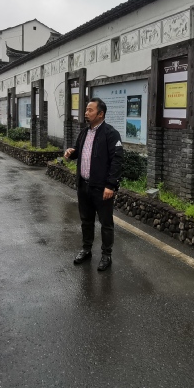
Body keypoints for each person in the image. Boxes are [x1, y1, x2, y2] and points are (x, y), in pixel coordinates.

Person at [64, 98, 124, 272]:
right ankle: (86, 249)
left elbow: (117, 161)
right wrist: (71, 152)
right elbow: (79, 151)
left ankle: (106, 255)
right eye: (86, 109)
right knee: (86, 220)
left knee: (106, 223)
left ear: (100, 114)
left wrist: (110, 185)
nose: (86, 113)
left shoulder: (111, 134)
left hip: (101, 188)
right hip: (84, 185)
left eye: (90, 110)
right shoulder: (84, 132)